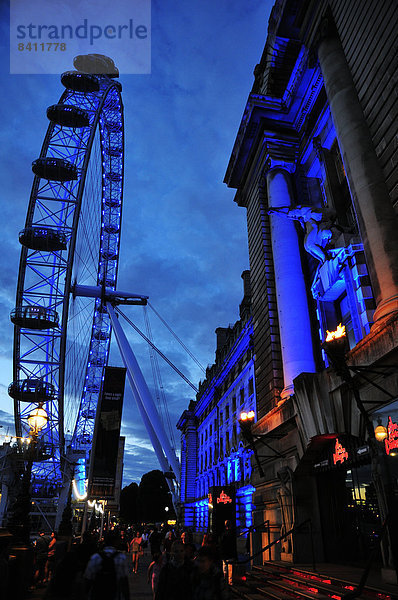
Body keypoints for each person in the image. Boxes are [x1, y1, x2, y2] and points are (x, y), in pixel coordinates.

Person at [84, 530, 130, 600]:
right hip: (114, 595)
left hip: (98, 595)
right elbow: (124, 581)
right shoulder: (121, 558)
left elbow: (88, 579)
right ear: (116, 542)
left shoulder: (95, 558)